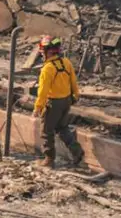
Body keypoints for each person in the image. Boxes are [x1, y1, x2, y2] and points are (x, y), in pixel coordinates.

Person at [33, 35, 84, 168]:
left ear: (47, 51)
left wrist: (38, 107)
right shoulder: (66, 62)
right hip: (66, 101)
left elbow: (43, 91)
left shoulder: (48, 68)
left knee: (46, 132)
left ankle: (49, 160)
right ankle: (77, 153)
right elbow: (73, 81)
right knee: (63, 128)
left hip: (53, 104)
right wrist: (75, 95)